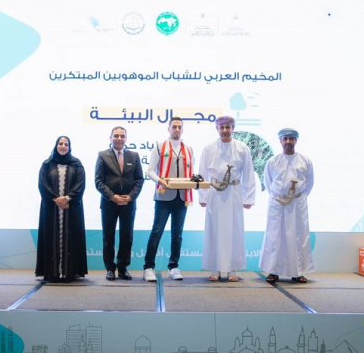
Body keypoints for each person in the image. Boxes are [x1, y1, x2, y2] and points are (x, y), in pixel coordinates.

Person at [198, 116, 256, 282]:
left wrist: (249, 198)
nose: (225, 130)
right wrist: (203, 195)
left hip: (234, 193)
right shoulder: (209, 148)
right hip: (214, 193)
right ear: (217, 129)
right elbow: (202, 173)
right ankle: (215, 269)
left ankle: (232, 269)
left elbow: (249, 173)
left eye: (228, 127)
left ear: (233, 128)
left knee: (234, 231)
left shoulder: (242, 148)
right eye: (221, 127)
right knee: (214, 230)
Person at [259, 128, 314, 284]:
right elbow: (268, 183)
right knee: (275, 235)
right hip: (277, 203)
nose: (288, 142)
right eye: (285, 139)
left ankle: (298, 272)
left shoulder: (305, 161)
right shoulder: (272, 161)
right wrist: (282, 197)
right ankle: (273, 271)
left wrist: (295, 198)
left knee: (299, 236)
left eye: (291, 138)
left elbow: (309, 184)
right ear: (280, 141)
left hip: (297, 204)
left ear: (296, 140)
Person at [142, 117, 195, 282]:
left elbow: (191, 173)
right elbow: (150, 170)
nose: (177, 129)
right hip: (163, 195)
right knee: (157, 231)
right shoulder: (159, 147)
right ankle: (148, 267)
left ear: (182, 130)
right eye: (174, 127)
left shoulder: (189, 149)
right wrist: (160, 180)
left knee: (177, 234)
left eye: (179, 127)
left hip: (182, 196)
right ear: (169, 129)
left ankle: (173, 267)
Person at [35, 136, 88, 283]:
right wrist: (56, 199)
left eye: (66, 144)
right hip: (51, 208)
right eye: (60, 143)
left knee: (71, 237)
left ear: (69, 147)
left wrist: (68, 198)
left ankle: (69, 272)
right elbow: (42, 184)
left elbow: (81, 183)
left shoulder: (77, 164)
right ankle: (52, 272)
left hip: (71, 208)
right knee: (51, 238)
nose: (63, 146)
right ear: (56, 145)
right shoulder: (47, 164)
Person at [95, 126, 144, 281]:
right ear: (110, 138)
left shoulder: (134, 156)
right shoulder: (103, 155)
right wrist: (112, 197)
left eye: (122, 136)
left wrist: (130, 197)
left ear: (126, 139)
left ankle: (123, 268)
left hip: (128, 204)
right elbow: (98, 181)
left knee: (126, 237)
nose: (119, 138)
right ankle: (110, 268)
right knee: (108, 237)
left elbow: (139, 180)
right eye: (116, 136)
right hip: (109, 203)